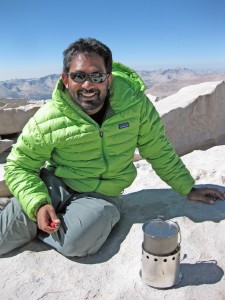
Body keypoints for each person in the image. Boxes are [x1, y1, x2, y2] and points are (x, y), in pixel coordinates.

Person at [1, 38, 224, 257]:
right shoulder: (48, 118)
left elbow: (158, 149)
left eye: (96, 76)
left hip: (100, 195)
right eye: (79, 76)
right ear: (66, 80)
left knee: (78, 243)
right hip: (56, 184)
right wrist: (38, 203)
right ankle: (32, 214)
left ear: (108, 79)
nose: (88, 85)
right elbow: (18, 165)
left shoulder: (134, 106)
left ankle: (36, 223)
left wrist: (188, 188)